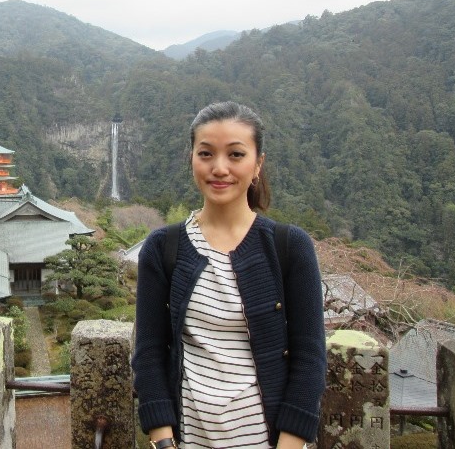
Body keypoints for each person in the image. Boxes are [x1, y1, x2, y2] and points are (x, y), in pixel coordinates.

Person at [131, 101, 326, 449]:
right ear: (191, 158)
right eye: (206, 154)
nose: (219, 168)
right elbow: (148, 351)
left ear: (258, 164)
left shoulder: (290, 247)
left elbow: (310, 357)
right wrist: (162, 438)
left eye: (236, 155)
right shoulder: (163, 248)